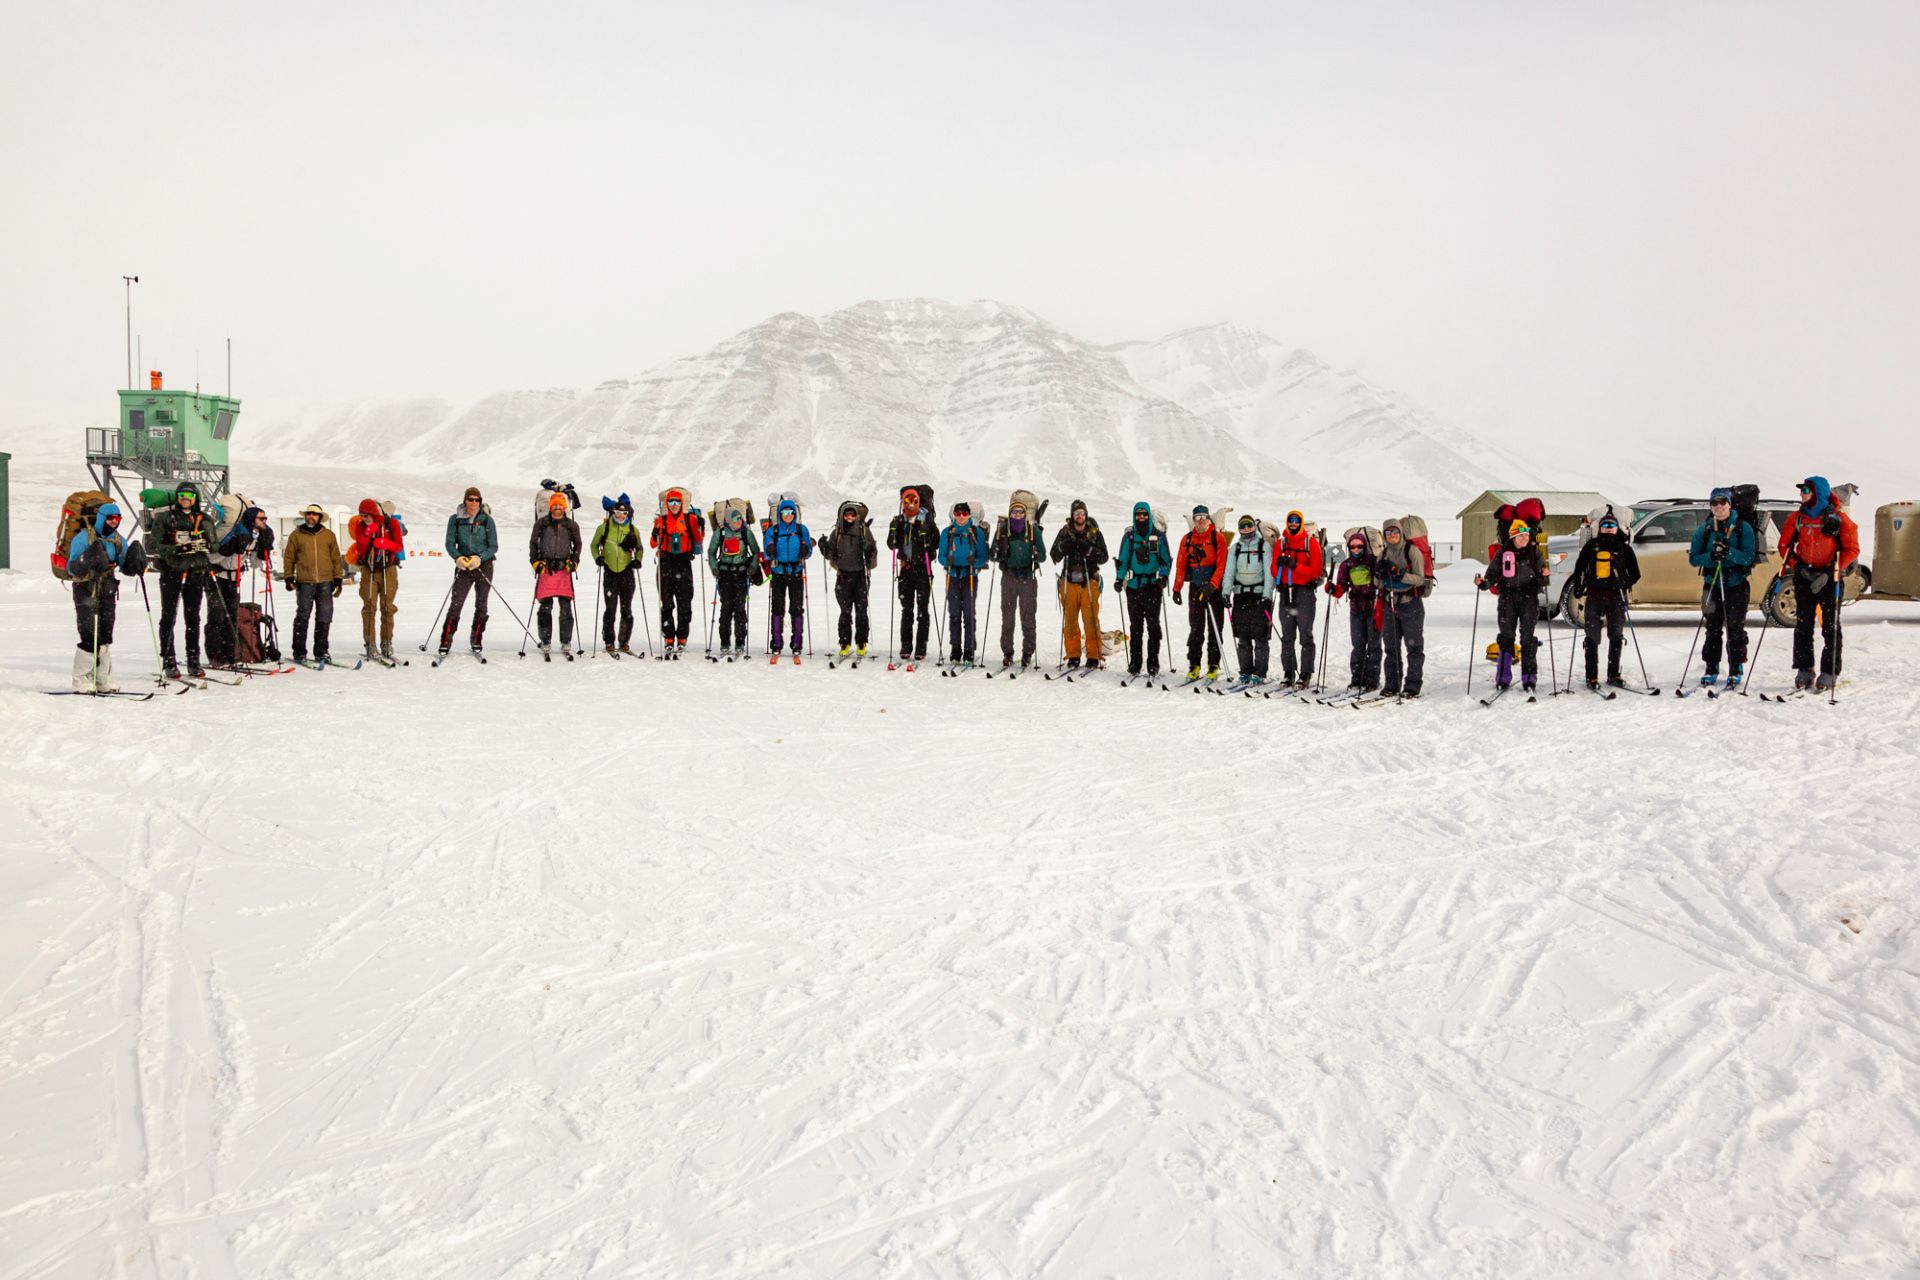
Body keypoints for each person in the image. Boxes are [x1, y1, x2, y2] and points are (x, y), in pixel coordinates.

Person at [1778, 474, 1860, 690]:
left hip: (1830, 578)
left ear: (1818, 493)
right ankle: (1804, 668)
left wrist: (1829, 572)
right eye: (1801, 490)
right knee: (1803, 625)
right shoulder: (1797, 518)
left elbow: (1852, 549)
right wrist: (1799, 567)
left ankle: (1829, 671)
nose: (1801, 494)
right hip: (1804, 577)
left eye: (1806, 490)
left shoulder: (1839, 518)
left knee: (1830, 627)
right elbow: (1784, 547)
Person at [1574, 507, 1645, 689]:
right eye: (1605, 525)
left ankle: (1614, 674)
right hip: (1594, 595)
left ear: (1617, 528)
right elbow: (1579, 567)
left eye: (1612, 525)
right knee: (1592, 636)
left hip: (1617, 597)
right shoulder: (1591, 546)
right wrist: (1578, 585)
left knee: (1616, 635)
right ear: (1599, 528)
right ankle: (1591, 677)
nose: (1608, 528)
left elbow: (1635, 574)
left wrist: (1623, 583)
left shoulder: (1624, 548)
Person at [149, 483, 215, 679]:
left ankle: (193, 660)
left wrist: (204, 544)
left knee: (193, 618)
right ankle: (169, 660)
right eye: (182, 494)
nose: (185, 498)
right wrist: (178, 548)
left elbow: (215, 544)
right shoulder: (165, 517)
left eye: (189, 495)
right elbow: (154, 545)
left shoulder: (204, 519)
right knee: (169, 616)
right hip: (172, 572)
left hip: (196, 572)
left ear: (196, 498)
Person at [65, 501, 132, 691]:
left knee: (105, 633)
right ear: (102, 518)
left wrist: (133, 563)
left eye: (117, 518)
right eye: (110, 518)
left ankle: (102, 678)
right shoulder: (83, 538)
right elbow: (71, 567)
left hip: (107, 589)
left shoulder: (118, 540)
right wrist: (87, 561)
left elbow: (124, 563)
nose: (114, 522)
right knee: (88, 632)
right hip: (86, 588)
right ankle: (81, 679)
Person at [1477, 518, 1544, 693]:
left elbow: (1542, 578)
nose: (1524, 538)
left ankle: (1529, 678)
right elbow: (1492, 575)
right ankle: (1503, 678)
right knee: (1506, 637)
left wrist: (1544, 575)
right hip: (1508, 597)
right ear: (1513, 537)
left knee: (1527, 638)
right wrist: (1483, 583)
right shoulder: (1503, 553)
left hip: (1529, 598)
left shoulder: (1535, 554)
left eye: (1526, 535)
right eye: (1520, 536)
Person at [208, 500, 271, 665]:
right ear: (252, 519)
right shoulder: (236, 533)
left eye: (265, 518)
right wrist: (229, 548)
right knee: (217, 617)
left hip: (235, 579)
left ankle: (230, 654)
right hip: (217, 577)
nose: (264, 521)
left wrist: (263, 552)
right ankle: (215, 655)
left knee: (231, 616)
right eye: (261, 518)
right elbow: (212, 557)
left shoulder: (255, 536)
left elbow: (255, 563)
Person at [1113, 502, 1171, 678]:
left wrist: (1164, 576)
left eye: (1144, 514)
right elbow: (1123, 560)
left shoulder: (1159, 536)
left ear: (1149, 516)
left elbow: (1166, 560)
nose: (1141, 517)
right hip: (1133, 587)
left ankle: (1153, 664)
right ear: (1134, 516)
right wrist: (1119, 579)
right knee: (1136, 627)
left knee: (1153, 627)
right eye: (1138, 514)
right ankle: (1135, 664)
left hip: (1153, 587)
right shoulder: (1129, 537)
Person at [282, 503, 345, 665]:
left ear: (319, 517)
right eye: (308, 514)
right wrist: (288, 577)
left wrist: (338, 578)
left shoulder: (328, 535)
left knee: (324, 617)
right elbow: (289, 557)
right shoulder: (296, 535)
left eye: (314, 514)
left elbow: (336, 558)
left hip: (325, 581)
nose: (311, 516)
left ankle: (321, 651)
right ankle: (299, 652)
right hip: (305, 582)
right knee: (302, 617)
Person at [1049, 499, 1108, 669]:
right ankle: (1073, 655)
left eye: (1082, 513)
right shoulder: (1064, 532)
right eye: (1076, 513)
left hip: (1089, 581)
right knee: (1070, 621)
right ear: (1072, 515)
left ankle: (1094, 655)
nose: (1079, 516)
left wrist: (1089, 550)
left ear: (1086, 515)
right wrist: (1063, 547)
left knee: (1091, 621)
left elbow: (1104, 557)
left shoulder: (1094, 533)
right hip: (1069, 582)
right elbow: (1054, 555)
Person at [440, 487, 498, 656]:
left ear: (480, 502)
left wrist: (479, 558)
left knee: (482, 603)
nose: (473, 502)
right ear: (465, 501)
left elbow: (493, 546)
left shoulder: (487, 520)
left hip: (483, 565)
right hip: (464, 565)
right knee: (456, 603)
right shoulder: (455, 519)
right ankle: (446, 639)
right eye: (470, 499)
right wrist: (458, 557)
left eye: (476, 500)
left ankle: (476, 638)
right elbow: (450, 543)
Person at [1172, 505, 1228, 680]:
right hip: (1196, 588)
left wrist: (1213, 584)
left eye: (1204, 517)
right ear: (1194, 520)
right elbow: (1181, 564)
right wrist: (1177, 588)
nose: (1201, 520)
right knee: (1196, 628)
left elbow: (1222, 564)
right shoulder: (1187, 539)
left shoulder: (1218, 538)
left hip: (1214, 590)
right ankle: (1194, 664)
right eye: (1197, 518)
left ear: (1209, 519)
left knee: (1215, 628)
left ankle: (1213, 665)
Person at [1269, 509, 1324, 687]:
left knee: (1305, 634)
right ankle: (1289, 672)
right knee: (1287, 635)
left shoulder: (1311, 543)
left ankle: (1306, 672)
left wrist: (1296, 566)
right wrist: (1280, 565)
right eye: (1290, 520)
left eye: (1296, 520)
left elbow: (1316, 570)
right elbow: (1273, 570)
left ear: (1300, 523)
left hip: (1304, 592)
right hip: (1286, 592)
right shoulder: (1281, 543)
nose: (1293, 523)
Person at [990, 496, 1045, 669]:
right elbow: (992, 556)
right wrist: (996, 551)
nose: (1017, 515)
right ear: (1010, 513)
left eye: (1020, 512)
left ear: (1025, 514)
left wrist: (1037, 554)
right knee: (1008, 617)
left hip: (1027, 578)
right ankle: (1008, 653)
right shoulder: (1002, 530)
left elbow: (1043, 556)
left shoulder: (1033, 531)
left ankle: (1028, 652)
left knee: (1028, 616)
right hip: (1008, 577)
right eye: (1014, 512)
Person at [818, 500, 878, 658]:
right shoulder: (837, 532)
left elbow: (872, 551)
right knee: (845, 612)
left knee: (861, 611)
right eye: (847, 515)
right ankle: (844, 643)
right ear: (842, 516)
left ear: (856, 516)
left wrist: (867, 547)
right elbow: (830, 554)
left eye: (852, 515)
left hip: (860, 577)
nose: (849, 517)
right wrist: (823, 547)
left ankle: (861, 643)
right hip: (843, 577)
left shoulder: (863, 530)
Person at [886, 485, 939, 662]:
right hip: (906, 569)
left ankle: (921, 647)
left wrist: (927, 536)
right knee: (907, 610)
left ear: (918, 501)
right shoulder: (899, 521)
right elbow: (891, 545)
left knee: (922, 610)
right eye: (907, 500)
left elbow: (935, 543)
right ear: (902, 502)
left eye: (914, 500)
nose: (910, 504)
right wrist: (893, 531)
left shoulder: (927, 520)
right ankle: (906, 646)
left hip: (923, 569)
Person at [1376, 519, 1428, 698]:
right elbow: (1378, 583)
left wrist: (1399, 573)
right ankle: (1392, 684)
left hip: (1411, 603)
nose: (1392, 535)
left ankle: (1412, 686)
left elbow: (1420, 579)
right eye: (1388, 532)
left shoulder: (1411, 551)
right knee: (1391, 647)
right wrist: (1379, 574)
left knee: (1414, 647)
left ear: (1400, 532)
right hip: (1390, 603)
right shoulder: (1383, 554)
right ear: (1384, 535)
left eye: (1395, 531)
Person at [349, 498, 406, 661]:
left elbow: (399, 546)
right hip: (369, 570)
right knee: (369, 607)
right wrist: (368, 532)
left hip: (388, 569)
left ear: (374, 513)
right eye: (361, 515)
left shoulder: (391, 524)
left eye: (367, 515)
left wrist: (385, 543)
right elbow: (361, 548)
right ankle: (370, 643)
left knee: (387, 607)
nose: (364, 518)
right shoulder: (361, 526)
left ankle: (386, 642)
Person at [650, 488, 704, 659]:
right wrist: (654, 533)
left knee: (684, 603)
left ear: (682, 503)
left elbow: (698, 539)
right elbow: (653, 544)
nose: (674, 505)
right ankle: (668, 637)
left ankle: (682, 637)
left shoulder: (690, 519)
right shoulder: (660, 521)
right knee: (666, 604)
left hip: (683, 563)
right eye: (671, 502)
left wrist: (701, 526)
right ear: (667, 504)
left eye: (677, 502)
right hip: (665, 564)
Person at [1325, 529, 1381, 693]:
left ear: (1365, 546)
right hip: (1356, 609)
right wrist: (1332, 589)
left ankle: (1372, 680)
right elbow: (1341, 588)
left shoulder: (1373, 562)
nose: (1356, 549)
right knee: (1358, 645)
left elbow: (1381, 582)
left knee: (1373, 645)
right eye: (1353, 547)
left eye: (1359, 546)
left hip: (1373, 608)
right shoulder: (1346, 565)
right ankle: (1357, 679)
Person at [530, 491, 582, 656]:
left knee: (566, 608)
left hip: (564, 569)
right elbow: (533, 544)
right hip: (546, 568)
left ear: (564, 507)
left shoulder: (572, 525)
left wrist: (574, 561)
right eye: (555, 505)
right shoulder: (541, 524)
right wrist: (535, 562)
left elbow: (578, 545)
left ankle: (566, 641)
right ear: (550, 507)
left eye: (560, 504)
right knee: (545, 607)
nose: (558, 507)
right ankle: (545, 640)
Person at [591, 494, 644, 655]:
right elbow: (594, 546)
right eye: (618, 513)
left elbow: (640, 548)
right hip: (610, 572)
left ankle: (624, 642)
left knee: (626, 610)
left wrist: (638, 560)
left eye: (624, 513)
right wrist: (598, 557)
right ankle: (609, 641)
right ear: (613, 513)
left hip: (627, 572)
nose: (621, 516)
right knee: (610, 609)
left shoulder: (633, 530)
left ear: (628, 514)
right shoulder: (604, 528)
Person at [1223, 514, 1272, 684]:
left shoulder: (1264, 546)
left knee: (1260, 637)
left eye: (1249, 525)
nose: (1246, 529)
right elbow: (1229, 573)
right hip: (1241, 596)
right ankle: (1245, 671)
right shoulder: (1235, 548)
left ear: (1254, 526)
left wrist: (1267, 595)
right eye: (1242, 526)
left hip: (1259, 596)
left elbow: (1269, 574)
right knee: (1243, 638)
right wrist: (1225, 593)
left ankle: (1260, 673)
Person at [707, 505, 762, 658]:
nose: (738, 522)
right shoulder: (720, 533)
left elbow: (756, 551)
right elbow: (711, 552)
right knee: (726, 608)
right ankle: (724, 642)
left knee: (739, 608)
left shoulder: (746, 532)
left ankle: (740, 642)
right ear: (728, 521)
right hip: (724, 575)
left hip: (741, 575)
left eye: (740, 519)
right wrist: (714, 568)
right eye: (735, 520)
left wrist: (752, 566)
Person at [763, 498, 814, 662]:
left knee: (796, 609)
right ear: (780, 514)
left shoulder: (801, 530)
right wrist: (769, 550)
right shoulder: (773, 531)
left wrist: (806, 550)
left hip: (796, 572)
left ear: (795, 513)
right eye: (784, 512)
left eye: (791, 512)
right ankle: (776, 644)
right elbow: (766, 551)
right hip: (778, 573)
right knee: (777, 609)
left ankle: (797, 644)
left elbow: (809, 551)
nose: (788, 515)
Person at [939, 502, 988, 664]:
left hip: (970, 576)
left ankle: (969, 649)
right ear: (954, 515)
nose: (961, 517)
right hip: (952, 576)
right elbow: (941, 556)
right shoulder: (947, 533)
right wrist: (947, 561)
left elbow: (984, 556)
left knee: (968, 614)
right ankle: (955, 648)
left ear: (969, 515)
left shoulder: (976, 532)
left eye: (964, 514)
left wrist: (976, 562)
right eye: (958, 513)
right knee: (954, 614)